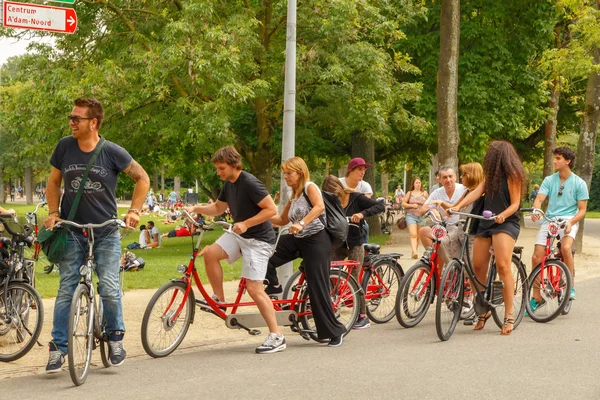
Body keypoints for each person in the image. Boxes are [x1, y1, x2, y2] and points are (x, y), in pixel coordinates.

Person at [44, 97, 150, 373]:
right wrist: (53, 211)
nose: (71, 122)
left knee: (110, 287)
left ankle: (115, 339)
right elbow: (54, 181)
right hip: (72, 229)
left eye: (77, 118)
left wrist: (135, 211)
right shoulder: (65, 147)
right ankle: (58, 349)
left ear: (93, 123)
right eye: (71, 117)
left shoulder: (112, 152)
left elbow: (143, 178)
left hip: (106, 231)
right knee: (67, 288)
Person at [183, 146, 283, 354]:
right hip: (240, 234)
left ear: (234, 165)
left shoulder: (250, 183)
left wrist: (246, 223)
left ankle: (277, 335)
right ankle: (219, 301)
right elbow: (219, 208)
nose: (219, 172)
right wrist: (196, 208)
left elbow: (271, 209)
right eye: (218, 169)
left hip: (259, 240)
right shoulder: (229, 184)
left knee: (255, 289)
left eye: (221, 168)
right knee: (210, 254)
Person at [267, 157, 346, 347]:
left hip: (317, 241)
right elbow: (282, 220)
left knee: (317, 288)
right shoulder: (293, 194)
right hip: (299, 239)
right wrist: (260, 216)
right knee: (267, 255)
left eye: (289, 173)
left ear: (300, 173)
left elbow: (319, 207)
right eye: (284, 173)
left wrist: (302, 223)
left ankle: (335, 332)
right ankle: (274, 286)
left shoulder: (310, 187)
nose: (285, 177)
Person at [450, 141, 525, 335]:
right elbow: (476, 193)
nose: (488, 158)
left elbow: (515, 203)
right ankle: (482, 309)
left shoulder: (512, 176)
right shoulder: (489, 177)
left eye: (491, 155)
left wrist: (504, 215)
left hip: (506, 223)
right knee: (477, 266)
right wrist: (458, 206)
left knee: (502, 265)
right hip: (486, 222)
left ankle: (509, 314)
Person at [322, 175, 384, 330]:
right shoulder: (327, 201)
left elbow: (379, 206)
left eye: (335, 194)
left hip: (355, 242)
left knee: (354, 278)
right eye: (330, 195)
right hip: (337, 242)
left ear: (340, 190)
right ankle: (332, 306)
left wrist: (362, 214)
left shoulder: (355, 197)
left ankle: (362, 316)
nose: (334, 198)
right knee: (328, 271)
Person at [531, 147, 588, 304]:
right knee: (536, 256)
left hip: (568, 219)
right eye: (554, 158)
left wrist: (570, 222)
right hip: (550, 219)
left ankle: (570, 285)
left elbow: (582, 210)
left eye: (558, 158)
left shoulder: (579, 183)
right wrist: (536, 210)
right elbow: (539, 199)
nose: (554, 161)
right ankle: (536, 296)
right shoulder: (549, 180)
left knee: (566, 248)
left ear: (567, 161)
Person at [418, 166, 467, 264]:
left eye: (450, 176)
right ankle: (436, 266)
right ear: (439, 179)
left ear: (455, 177)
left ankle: (446, 265)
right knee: (423, 231)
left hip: (461, 227)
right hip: (445, 227)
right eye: (444, 177)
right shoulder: (437, 192)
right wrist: (432, 209)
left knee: (441, 241)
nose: (448, 180)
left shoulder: (464, 189)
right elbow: (422, 210)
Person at [402, 177, 429, 259]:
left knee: (418, 235)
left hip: (422, 216)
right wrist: (412, 205)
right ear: (413, 184)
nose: (418, 184)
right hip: (411, 216)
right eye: (416, 183)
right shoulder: (409, 193)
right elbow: (403, 203)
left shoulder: (424, 193)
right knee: (413, 234)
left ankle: (415, 251)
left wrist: (425, 209)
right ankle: (414, 251)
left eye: (419, 183)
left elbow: (429, 203)